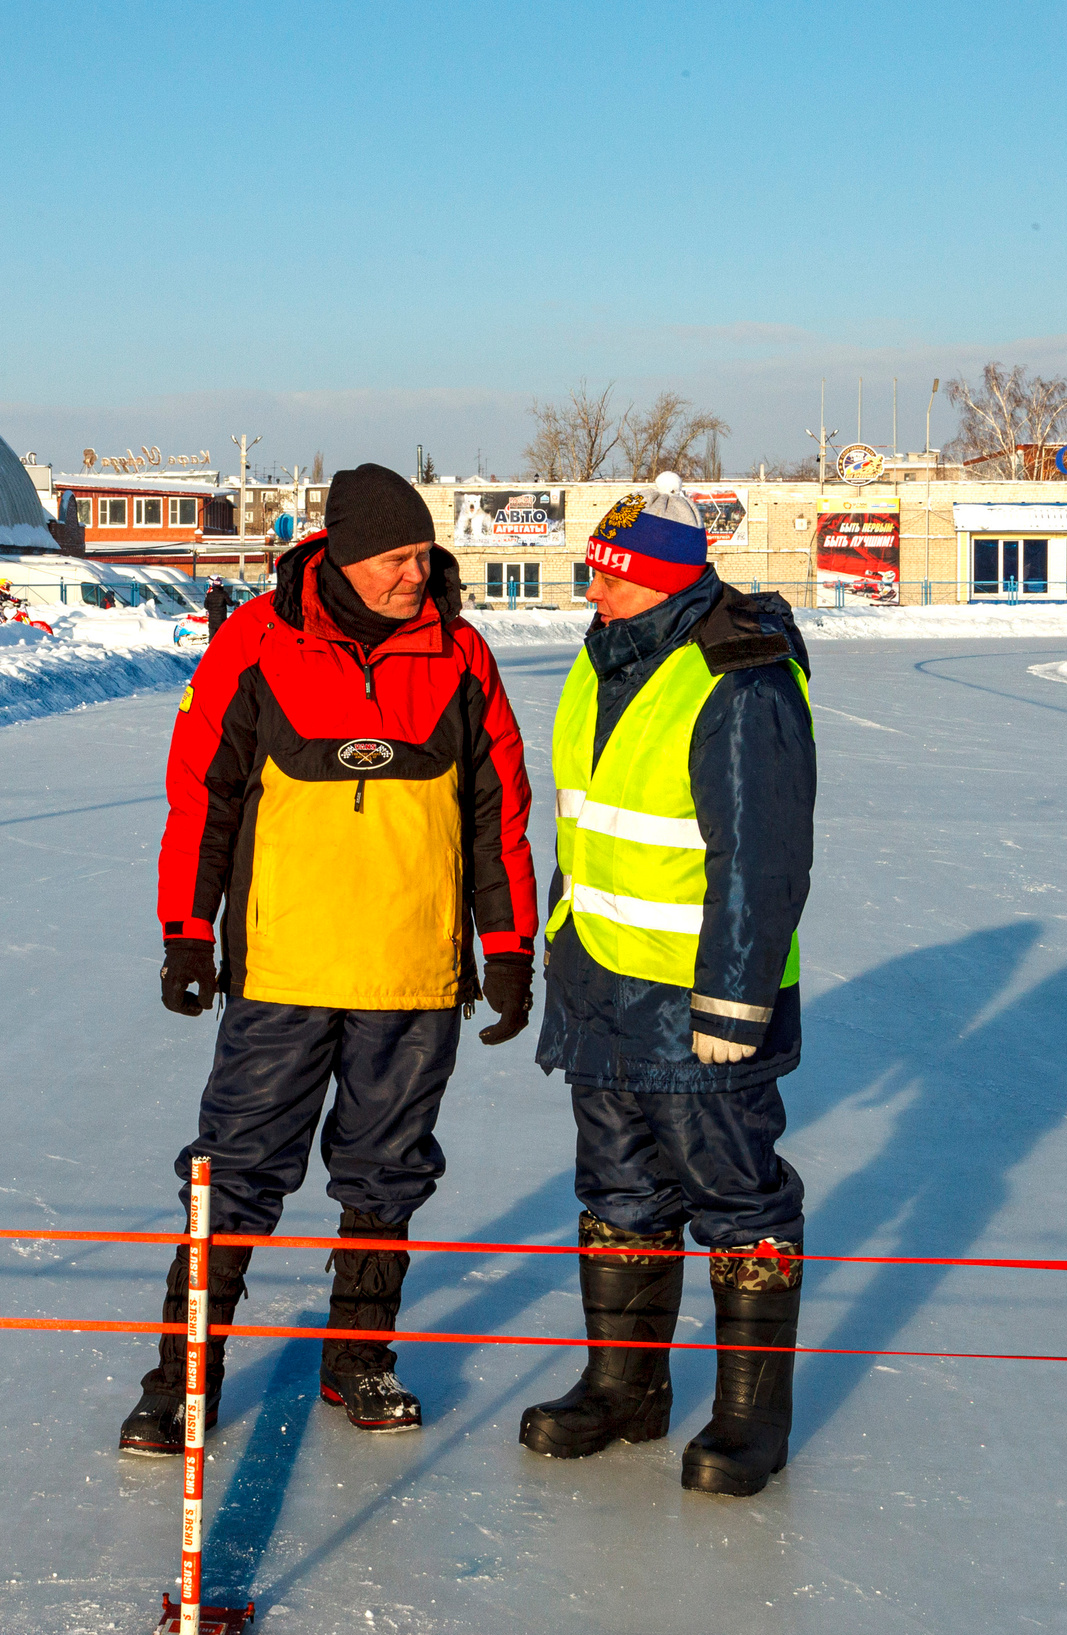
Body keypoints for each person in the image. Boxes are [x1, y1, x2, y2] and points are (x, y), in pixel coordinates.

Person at [120, 462, 539, 1454]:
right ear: (345, 558)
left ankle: (359, 1358)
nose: (416, 574)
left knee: (385, 1178)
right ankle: (181, 1379)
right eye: (397, 558)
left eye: (423, 555)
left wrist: (509, 946)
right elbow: (202, 796)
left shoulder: (461, 654)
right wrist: (186, 931)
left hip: (412, 974)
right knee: (232, 1175)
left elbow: (498, 811)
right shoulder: (254, 643)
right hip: (284, 972)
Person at [517, 475, 817, 1499]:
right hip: (600, 982)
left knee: (737, 1198)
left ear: (664, 580)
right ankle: (625, 1388)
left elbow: (762, 856)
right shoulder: (604, 655)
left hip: (696, 1002)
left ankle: (750, 1420)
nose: (590, 591)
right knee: (619, 1189)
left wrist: (734, 999)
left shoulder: (742, 676)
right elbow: (587, 824)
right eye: (589, 571)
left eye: (609, 575)